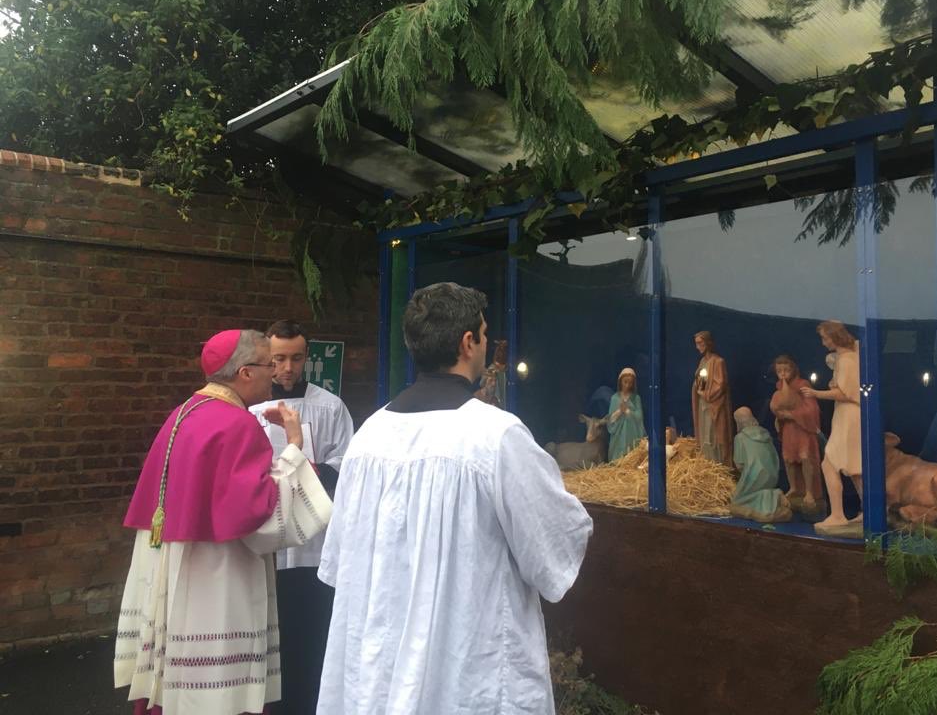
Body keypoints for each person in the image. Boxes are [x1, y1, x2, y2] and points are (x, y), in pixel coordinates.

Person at [316, 282, 593, 715]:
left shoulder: (368, 435)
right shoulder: (495, 436)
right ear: (469, 342)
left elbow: (342, 563)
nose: (485, 343)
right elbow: (554, 544)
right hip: (468, 670)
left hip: (379, 671)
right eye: (484, 334)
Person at [114, 329, 332, 715]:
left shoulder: (184, 412)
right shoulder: (235, 424)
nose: (276, 373)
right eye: (269, 364)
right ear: (245, 372)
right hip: (217, 575)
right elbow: (263, 520)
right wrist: (296, 447)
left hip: (180, 564)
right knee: (216, 688)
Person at [249, 320, 354, 715]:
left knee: (311, 631)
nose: (287, 368)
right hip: (268, 543)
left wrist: (309, 470)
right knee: (270, 634)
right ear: (266, 359)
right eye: (278, 359)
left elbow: (346, 462)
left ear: (306, 357)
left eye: (295, 358)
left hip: (314, 543)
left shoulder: (330, 406)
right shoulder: (253, 410)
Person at [801, 320, 862, 529]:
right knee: (855, 468)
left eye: (825, 338)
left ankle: (838, 514)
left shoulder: (847, 360)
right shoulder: (849, 358)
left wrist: (816, 393)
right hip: (848, 415)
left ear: (834, 337)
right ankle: (868, 511)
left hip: (849, 416)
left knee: (829, 464)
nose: (823, 342)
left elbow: (845, 393)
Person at [769, 354, 823, 512]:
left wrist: (793, 415)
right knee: (789, 459)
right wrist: (779, 415)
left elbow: (812, 408)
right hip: (789, 430)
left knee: (805, 457)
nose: (783, 373)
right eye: (779, 370)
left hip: (803, 429)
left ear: (793, 369)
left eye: (786, 369)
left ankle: (810, 492)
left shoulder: (803, 385)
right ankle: (794, 487)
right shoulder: (779, 388)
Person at [729, 407, 791, 523]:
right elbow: (774, 456)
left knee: (737, 501)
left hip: (754, 475)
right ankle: (773, 494)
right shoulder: (765, 433)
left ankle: (771, 498)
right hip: (773, 475)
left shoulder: (740, 438)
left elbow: (739, 464)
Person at [691, 330, 733, 468]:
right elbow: (701, 381)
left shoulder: (718, 361)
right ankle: (707, 464)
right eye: (696, 344)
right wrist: (699, 389)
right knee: (704, 435)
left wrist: (706, 394)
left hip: (714, 406)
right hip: (703, 405)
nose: (698, 347)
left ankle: (717, 465)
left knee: (713, 435)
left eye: (700, 343)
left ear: (708, 343)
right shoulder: (703, 361)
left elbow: (720, 385)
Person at [606, 367, 646, 462]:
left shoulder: (636, 398)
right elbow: (610, 419)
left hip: (632, 433)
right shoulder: (614, 398)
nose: (627, 385)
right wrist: (619, 411)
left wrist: (628, 411)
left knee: (631, 453)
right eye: (625, 382)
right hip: (618, 436)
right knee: (618, 458)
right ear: (620, 382)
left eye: (630, 382)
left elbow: (639, 417)